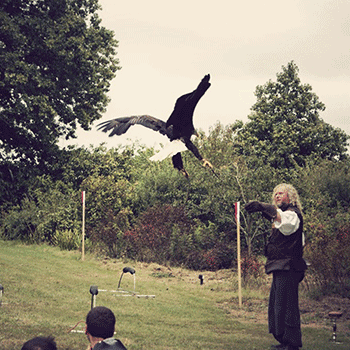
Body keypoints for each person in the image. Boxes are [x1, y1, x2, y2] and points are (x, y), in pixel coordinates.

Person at [245, 183, 307, 350]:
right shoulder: (283, 214)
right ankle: (284, 340)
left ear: (291, 197)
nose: (278, 196)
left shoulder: (293, 214)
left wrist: (262, 206)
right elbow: (277, 216)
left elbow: (284, 223)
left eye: (281, 193)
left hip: (289, 267)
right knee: (278, 305)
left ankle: (292, 343)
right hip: (281, 266)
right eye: (276, 194)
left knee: (288, 305)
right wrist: (265, 210)